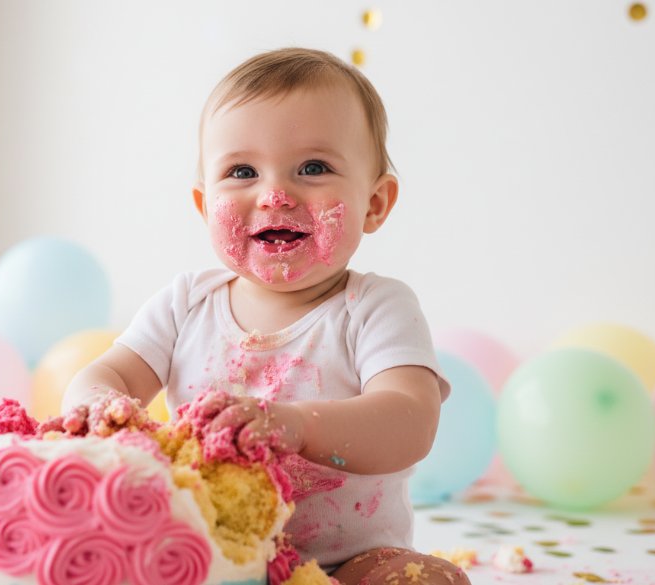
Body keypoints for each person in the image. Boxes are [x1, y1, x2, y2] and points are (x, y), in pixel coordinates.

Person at [62, 48, 469, 584]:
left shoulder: (374, 308)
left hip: (344, 564)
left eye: (314, 168)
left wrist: (297, 426)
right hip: (204, 556)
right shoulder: (186, 304)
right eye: (242, 171)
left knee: (423, 580)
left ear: (374, 204)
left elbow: (410, 420)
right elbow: (107, 374)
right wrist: (99, 406)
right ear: (205, 207)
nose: (275, 195)